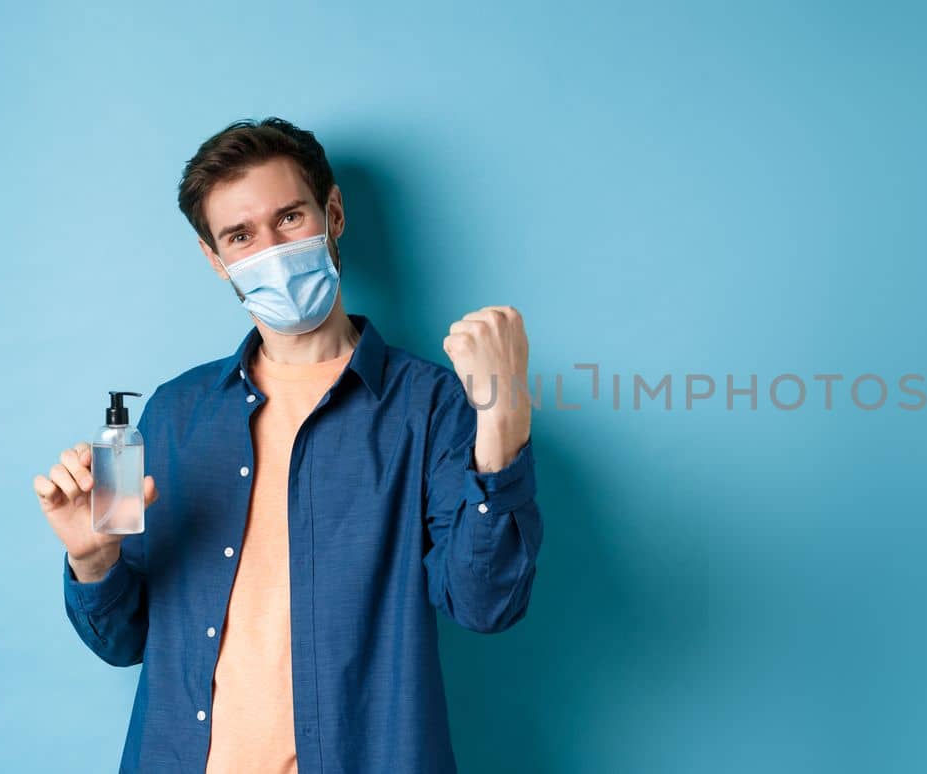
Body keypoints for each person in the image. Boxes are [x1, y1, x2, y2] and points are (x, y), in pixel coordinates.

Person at [31, 117, 543, 773]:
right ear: (215, 260)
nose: (270, 249)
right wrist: (94, 558)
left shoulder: (435, 403)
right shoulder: (167, 413)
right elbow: (123, 641)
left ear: (332, 213)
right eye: (240, 236)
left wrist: (503, 419)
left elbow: (486, 605)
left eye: (290, 218)